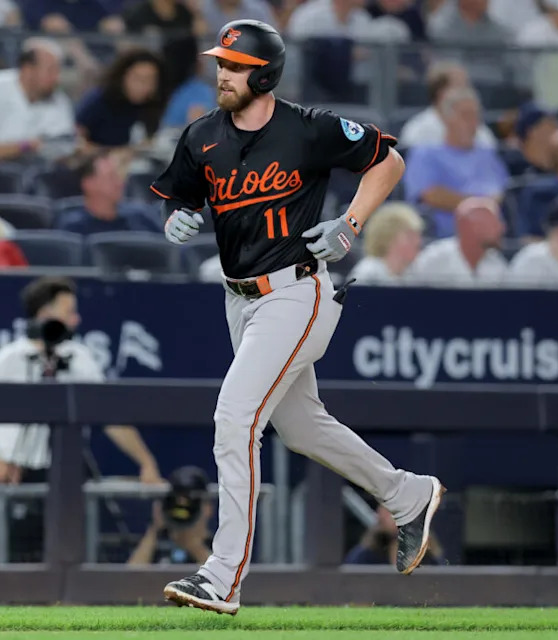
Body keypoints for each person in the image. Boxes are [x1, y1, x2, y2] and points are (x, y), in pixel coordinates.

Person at [150, 19, 444, 615]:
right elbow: (181, 197)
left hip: (296, 292)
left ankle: (223, 574)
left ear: (265, 73)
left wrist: (352, 223)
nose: (222, 74)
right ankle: (407, 494)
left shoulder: (308, 128)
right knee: (303, 428)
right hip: (240, 298)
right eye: (221, 63)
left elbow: (387, 161)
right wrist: (176, 217)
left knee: (235, 417)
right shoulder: (202, 135)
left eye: (234, 66)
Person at [0, 276, 162, 561]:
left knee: (76, 558)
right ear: (44, 315)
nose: (76, 319)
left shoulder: (79, 357)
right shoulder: (9, 360)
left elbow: (111, 417)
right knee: (21, 568)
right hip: (20, 476)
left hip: (70, 473)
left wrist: (145, 461)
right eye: (68, 312)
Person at [403, 86, 510, 237]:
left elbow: (501, 192)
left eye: (476, 116)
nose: (473, 123)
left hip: (490, 240)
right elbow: (430, 195)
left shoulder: (488, 154)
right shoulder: (425, 154)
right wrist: (479, 207)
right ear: (446, 119)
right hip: (442, 240)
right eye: (466, 116)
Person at [405, 196, 509, 288]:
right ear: (474, 228)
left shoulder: (497, 265)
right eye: (494, 224)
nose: (502, 228)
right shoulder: (434, 259)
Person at [347, 202, 424, 285]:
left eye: (418, 236)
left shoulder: (413, 276)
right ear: (388, 237)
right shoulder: (368, 273)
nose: (418, 242)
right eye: (410, 236)